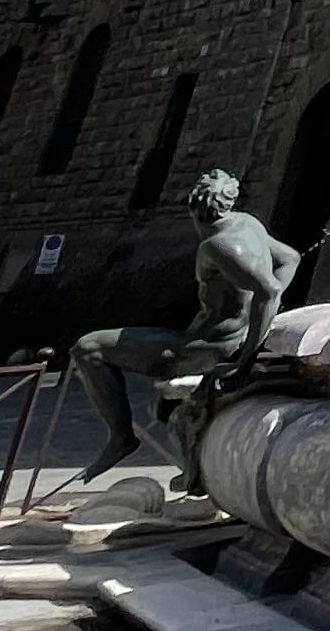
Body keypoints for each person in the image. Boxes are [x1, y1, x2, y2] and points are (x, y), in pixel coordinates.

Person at [71, 170, 297, 485]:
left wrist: (244, 362)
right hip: (225, 339)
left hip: (206, 349)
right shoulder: (248, 223)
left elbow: (268, 291)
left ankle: (121, 437)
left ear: (194, 211)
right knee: (158, 396)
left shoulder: (216, 246)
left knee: (88, 347)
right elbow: (290, 259)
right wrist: (260, 321)